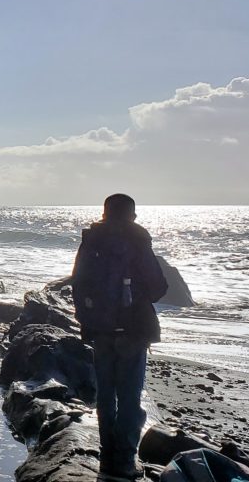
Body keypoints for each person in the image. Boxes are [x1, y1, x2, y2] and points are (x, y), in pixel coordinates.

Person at [71, 194, 167, 480]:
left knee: (105, 394)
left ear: (104, 213)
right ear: (131, 215)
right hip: (133, 330)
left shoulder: (92, 239)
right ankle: (124, 461)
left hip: (100, 329)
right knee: (129, 397)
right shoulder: (137, 239)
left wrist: (87, 319)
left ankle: (106, 456)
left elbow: (78, 282)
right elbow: (158, 287)